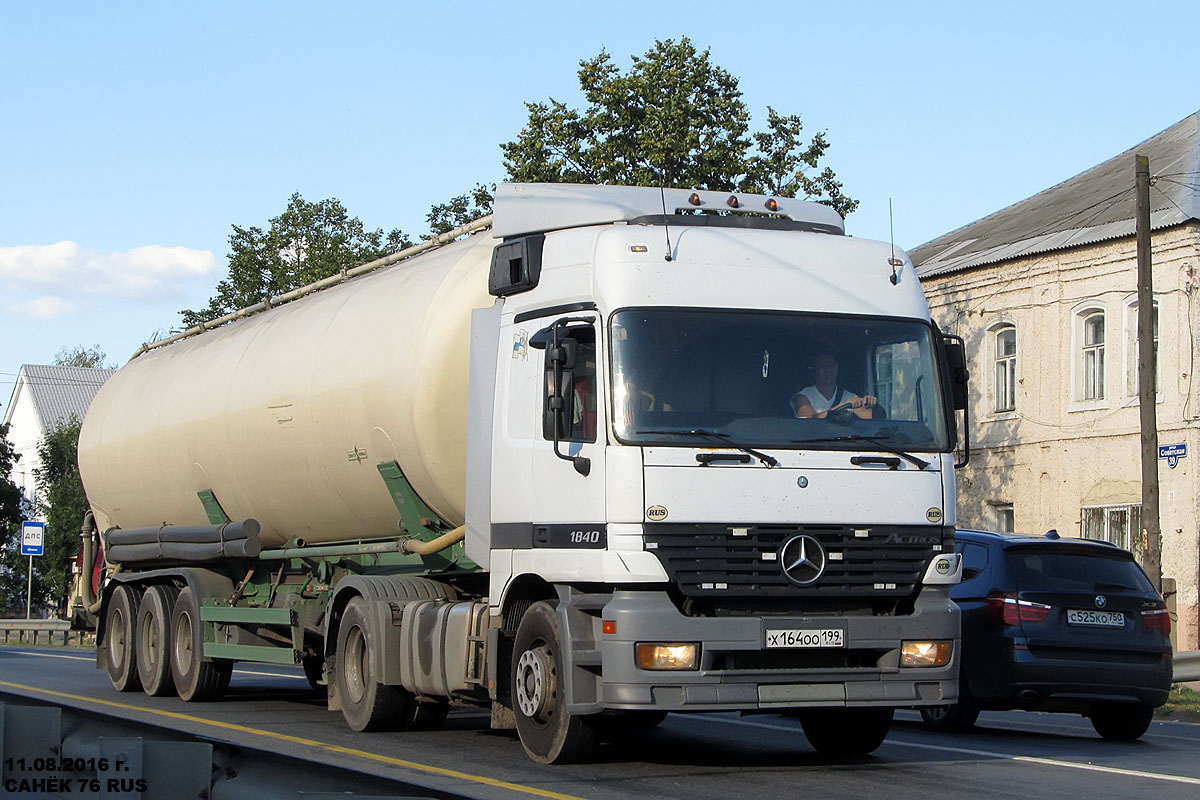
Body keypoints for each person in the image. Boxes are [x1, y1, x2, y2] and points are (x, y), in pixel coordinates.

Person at [791, 352, 877, 419]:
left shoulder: (850, 397)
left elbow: (870, 417)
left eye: (831, 366)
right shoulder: (802, 397)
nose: (828, 370)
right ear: (814, 372)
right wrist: (843, 406)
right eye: (822, 366)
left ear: (837, 369)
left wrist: (869, 404)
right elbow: (810, 421)